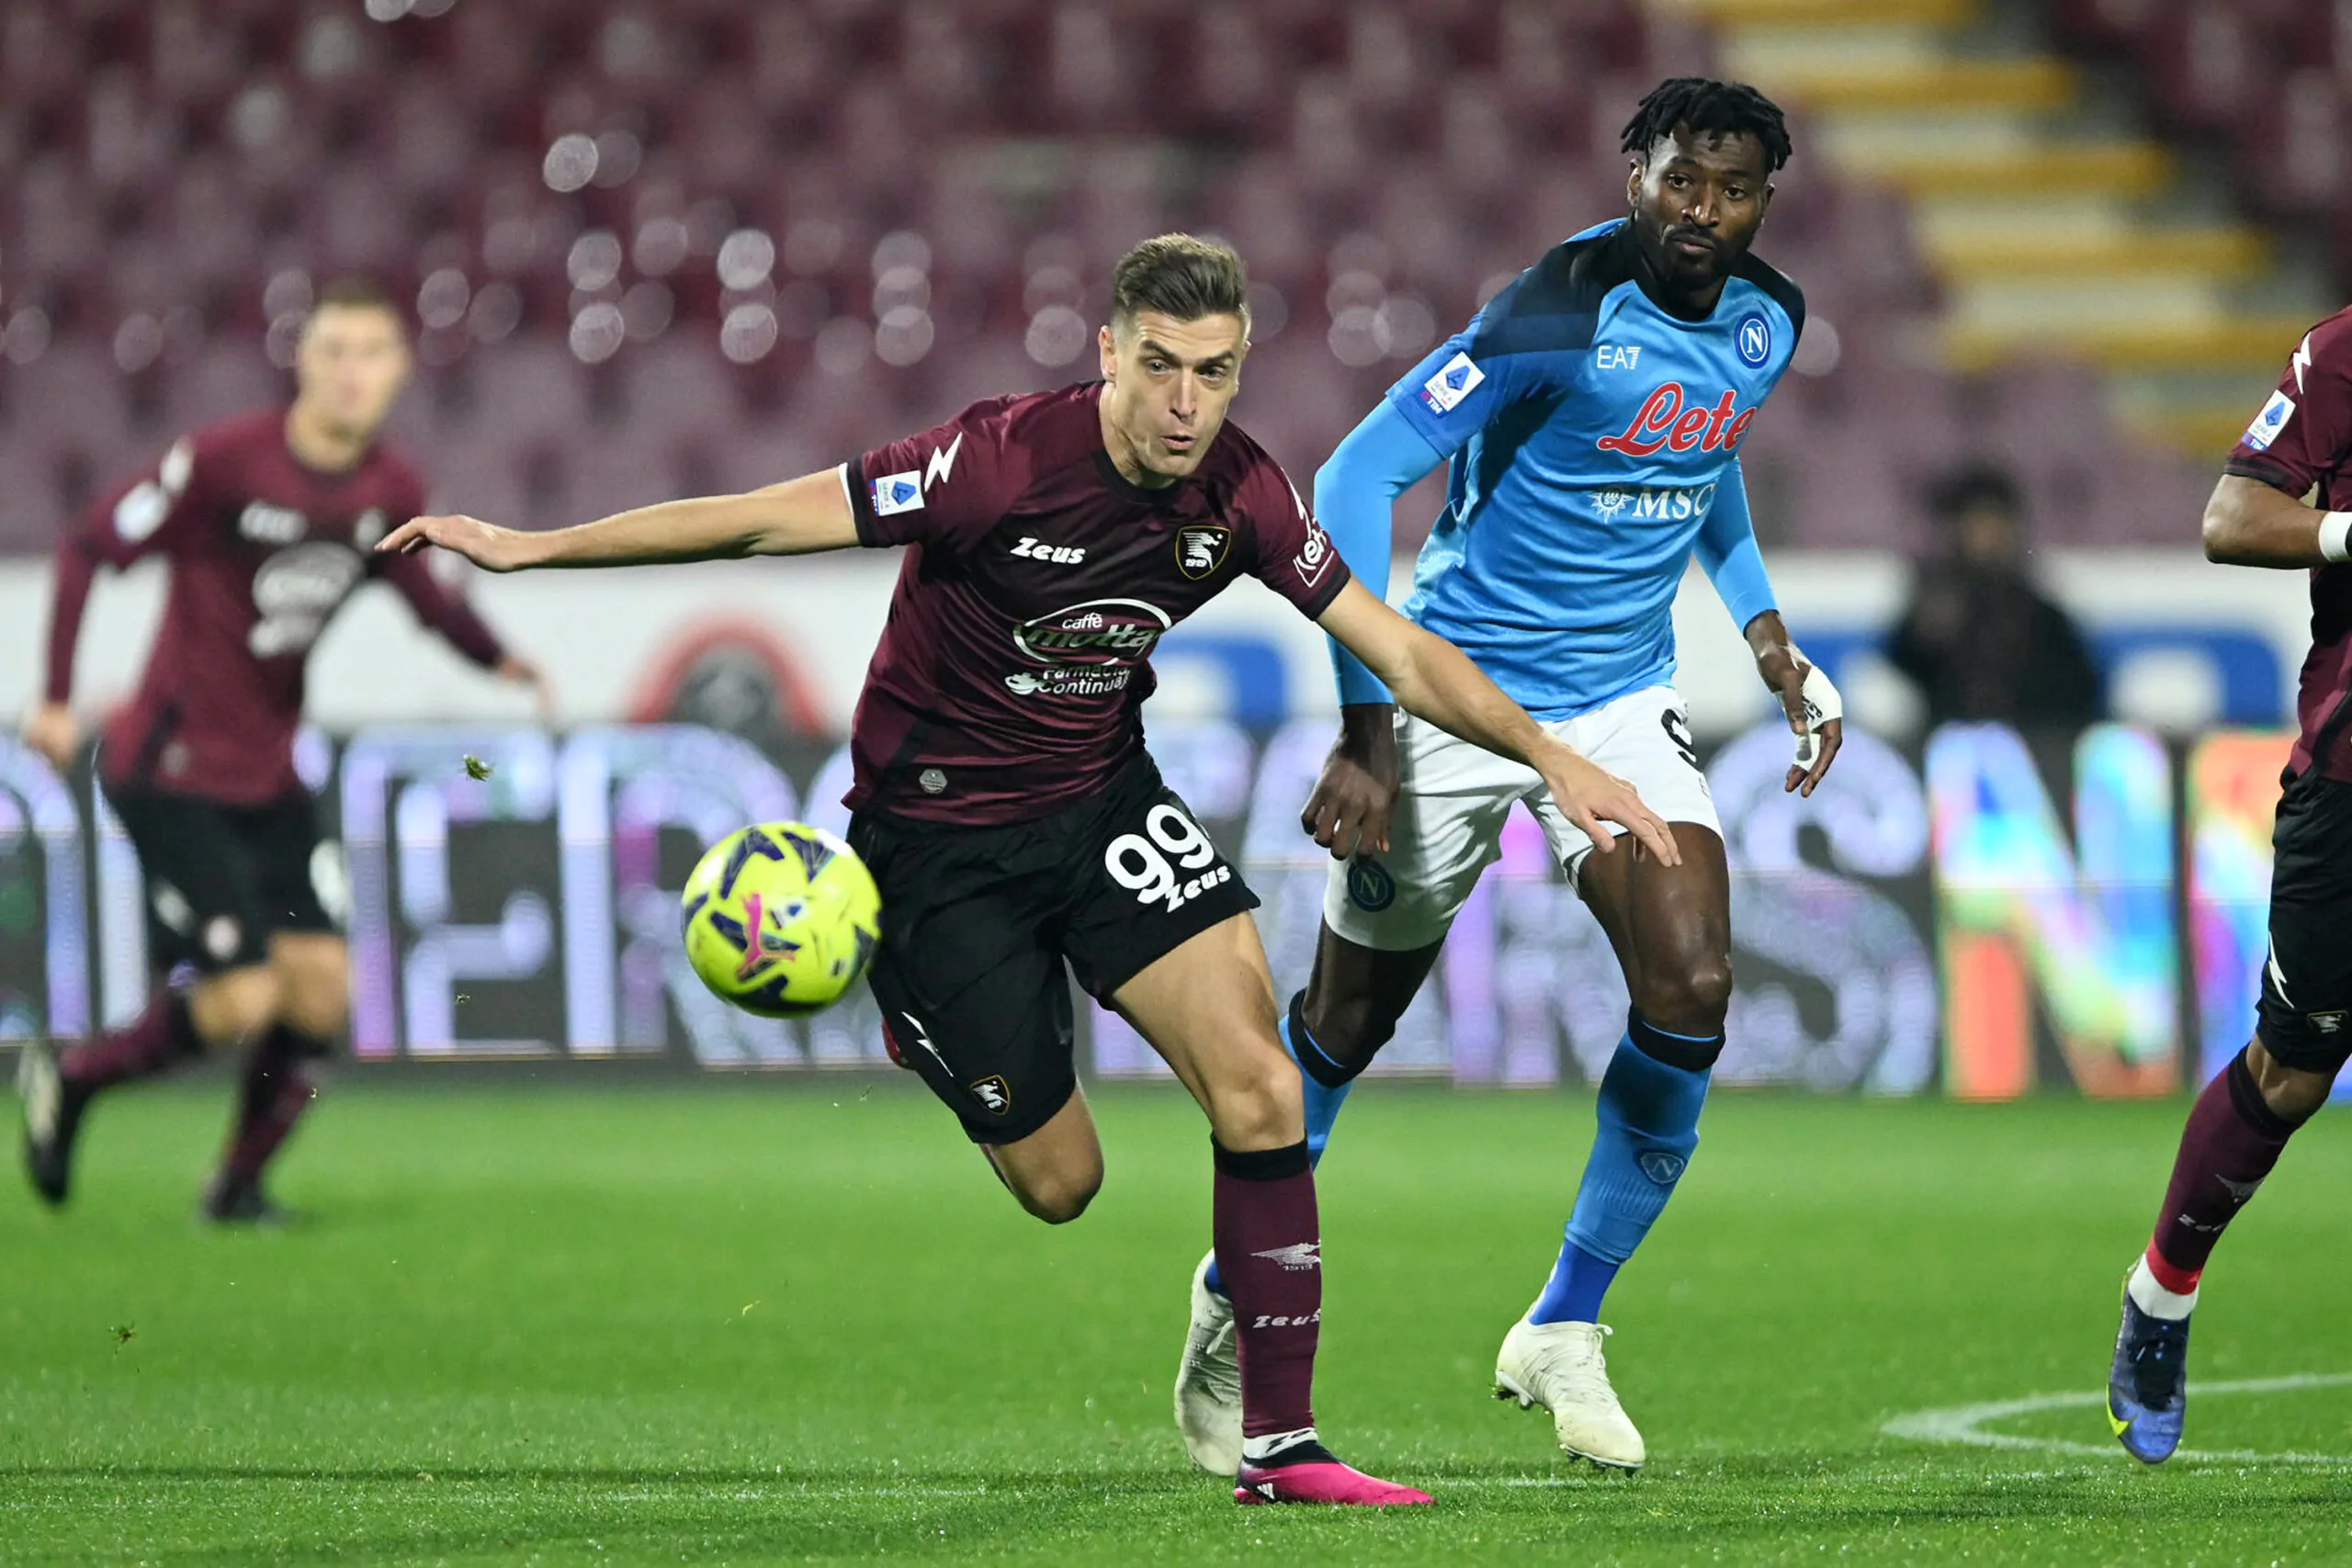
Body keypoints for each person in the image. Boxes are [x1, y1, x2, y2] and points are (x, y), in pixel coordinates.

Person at [378, 233, 1680, 1507]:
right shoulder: (992, 464)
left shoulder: (1242, 491)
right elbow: (765, 522)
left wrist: (1551, 756)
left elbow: (1396, 647)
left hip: (1101, 806)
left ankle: (1282, 1444)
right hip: (936, 847)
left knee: (1262, 1082)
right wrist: (533, 547)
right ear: (1107, 351)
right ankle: (916, 1000)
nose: (1185, 403)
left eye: (1215, 372)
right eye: (1161, 365)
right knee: (1064, 1186)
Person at [1172, 79, 1847, 1476]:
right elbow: (1357, 477)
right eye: (1676, 181)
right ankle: (1237, 1283)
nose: (1699, 213)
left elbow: (1706, 451)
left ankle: (1565, 1322)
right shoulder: (1553, 311)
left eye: (1729, 190)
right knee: (1347, 1027)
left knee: (1695, 982)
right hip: (1449, 692)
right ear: (1634, 171)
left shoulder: (1766, 320)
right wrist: (1364, 727)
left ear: (1765, 195)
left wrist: (1767, 631)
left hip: (1615, 706)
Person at [16, 278, 548, 1223]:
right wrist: (56, 697)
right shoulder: (224, 465)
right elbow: (89, 546)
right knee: (247, 996)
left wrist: (501, 659)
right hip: (169, 770)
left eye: (371, 353)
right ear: (302, 360)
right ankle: (76, 1076)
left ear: (399, 371)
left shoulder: (389, 489)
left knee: (323, 993)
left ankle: (236, 1187)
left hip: (266, 777)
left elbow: (420, 596)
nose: (351, 373)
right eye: (334, 350)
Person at [2107, 306, 2352, 1463]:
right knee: (2294, 1071)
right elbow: (2232, 518)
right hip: (2350, 781)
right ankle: (2161, 1295)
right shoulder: (2343, 352)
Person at [1885, 462, 2103, 730]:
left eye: (1994, 522)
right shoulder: (1932, 611)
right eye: (1975, 523)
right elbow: (1900, 679)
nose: (1986, 537)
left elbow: (2080, 691)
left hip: (2033, 751)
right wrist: (1924, 638)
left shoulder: (2041, 616)